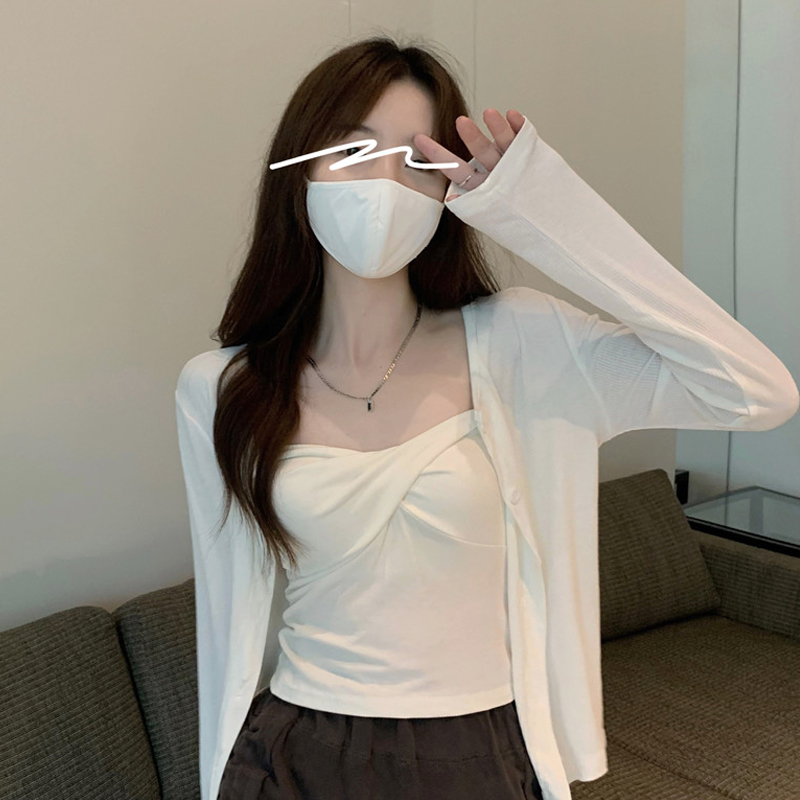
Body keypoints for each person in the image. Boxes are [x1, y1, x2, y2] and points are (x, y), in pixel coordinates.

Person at [174, 35, 799, 800]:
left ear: (450, 189)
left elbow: (756, 391)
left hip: (479, 751)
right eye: (353, 150)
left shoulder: (522, 344)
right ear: (298, 169)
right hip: (293, 750)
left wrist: (540, 210)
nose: (384, 184)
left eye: (417, 160)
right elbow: (230, 626)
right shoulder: (220, 389)